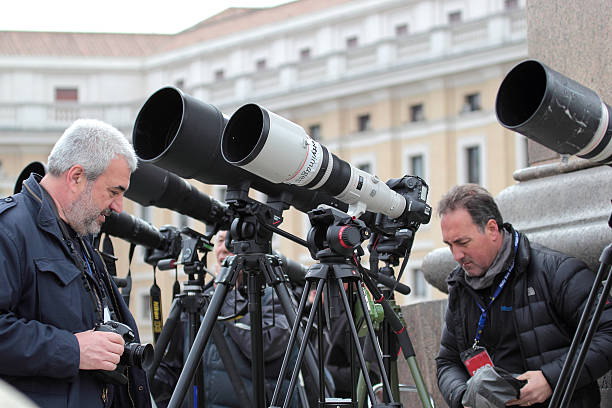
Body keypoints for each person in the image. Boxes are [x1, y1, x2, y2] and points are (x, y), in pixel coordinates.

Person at [0, 119, 151, 408]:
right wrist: (74, 350)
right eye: (114, 191)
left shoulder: (78, 230)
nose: (119, 207)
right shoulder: (9, 230)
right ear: (76, 177)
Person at [435, 184, 612, 408]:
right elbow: (447, 362)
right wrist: (463, 397)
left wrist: (551, 379)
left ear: (491, 230)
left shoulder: (557, 271)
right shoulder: (460, 286)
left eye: (462, 242)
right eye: (449, 245)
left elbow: (608, 333)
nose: (456, 255)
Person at [151, 230, 298, 408]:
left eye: (232, 240)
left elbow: (266, 346)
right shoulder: (200, 299)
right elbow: (171, 366)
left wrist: (227, 294)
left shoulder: (273, 294)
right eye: (220, 241)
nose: (224, 248)